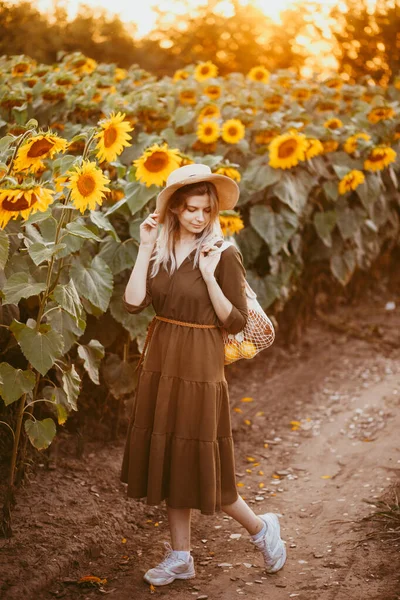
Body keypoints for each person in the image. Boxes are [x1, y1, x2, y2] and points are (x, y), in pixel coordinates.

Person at [120, 164, 286, 587]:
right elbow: (135, 303)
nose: (199, 217)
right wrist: (143, 246)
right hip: (162, 360)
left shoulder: (223, 253)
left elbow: (234, 321)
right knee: (172, 458)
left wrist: (210, 277)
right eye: (191, 209)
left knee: (203, 461)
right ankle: (180, 557)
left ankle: (260, 527)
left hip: (200, 362)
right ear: (175, 209)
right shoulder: (159, 248)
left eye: (206, 210)